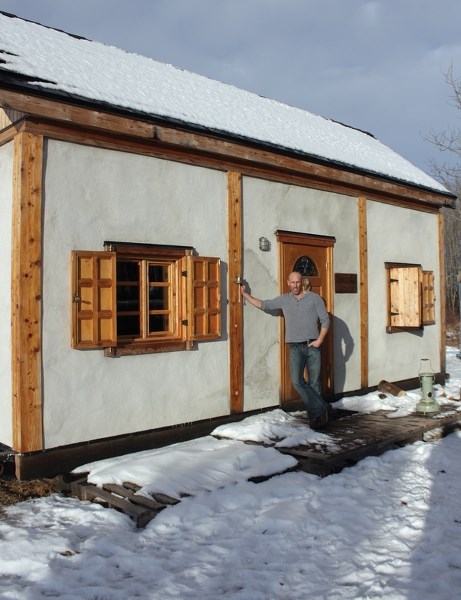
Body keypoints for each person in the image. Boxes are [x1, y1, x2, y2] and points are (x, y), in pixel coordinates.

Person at [240, 271, 331, 430]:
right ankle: (323, 407)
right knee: (297, 381)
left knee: (315, 383)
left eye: (298, 282)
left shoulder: (315, 299)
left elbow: (325, 320)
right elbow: (265, 305)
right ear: (288, 283)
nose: (295, 285)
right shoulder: (284, 300)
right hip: (295, 347)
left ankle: (316, 419)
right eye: (292, 282)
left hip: (312, 346)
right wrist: (245, 294)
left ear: (302, 282)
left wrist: (320, 340)